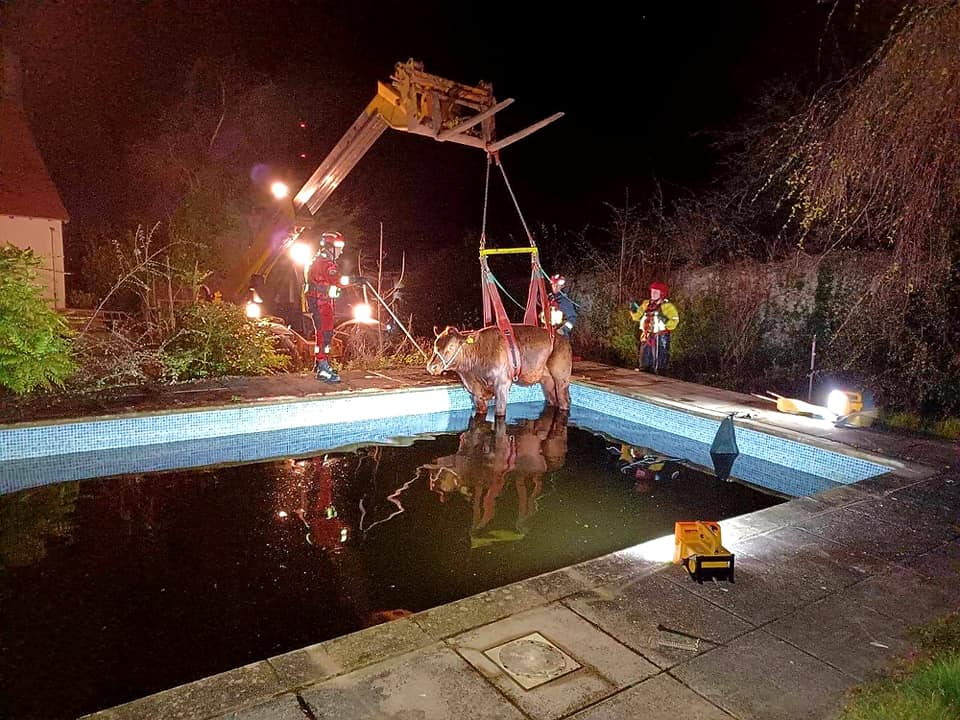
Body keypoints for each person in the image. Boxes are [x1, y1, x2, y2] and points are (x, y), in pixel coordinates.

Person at [304, 231, 348, 382]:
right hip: (321, 302)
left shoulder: (319, 259)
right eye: (339, 246)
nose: (341, 250)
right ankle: (323, 368)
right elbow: (337, 280)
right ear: (331, 246)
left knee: (322, 333)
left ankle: (320, 363)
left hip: (321, 301)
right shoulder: (326, 263)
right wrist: (354, 280)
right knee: (325, 333)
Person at [630, 281, 679, 372]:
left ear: (662, 294)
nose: (653, 294)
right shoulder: (646, 304)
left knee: (659, 364)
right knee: (644, 362)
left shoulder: (668, 306)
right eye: (652, 291)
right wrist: (633, 310)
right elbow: (637, 317)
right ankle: (644, 374)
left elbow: (674, 322)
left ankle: (659, 377)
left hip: (660, 338)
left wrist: (665, 319)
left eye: (656, 292)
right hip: (646, 336)